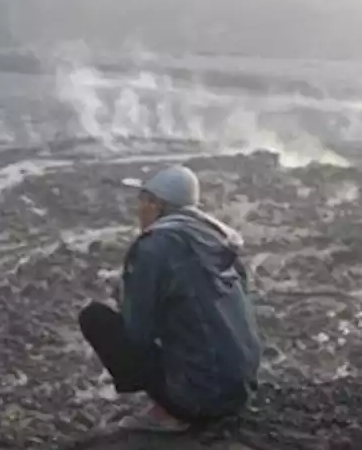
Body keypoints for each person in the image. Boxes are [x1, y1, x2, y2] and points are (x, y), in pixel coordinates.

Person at [79, 164, 262, 433]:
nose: (139, 209)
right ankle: (183, 392)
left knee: (95, 318)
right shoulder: (216, 238)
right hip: (241, 392)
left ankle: (168, 411)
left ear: (157, 205)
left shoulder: (153, 247)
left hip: (201, 400)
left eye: (143, 202)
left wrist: (127, 297)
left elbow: (137, 332)